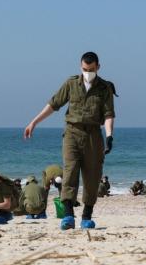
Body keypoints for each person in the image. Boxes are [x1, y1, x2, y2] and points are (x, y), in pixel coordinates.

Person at [24, 51, 117, 230]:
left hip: (93, 134)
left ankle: (87, 216)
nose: (87, 72)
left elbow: (108, 115)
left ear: (98, 67)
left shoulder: (105, 88)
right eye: (84, 69)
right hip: (72, 133)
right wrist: (34, 122)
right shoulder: (71, 83)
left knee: (93, 175)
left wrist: (109, 136)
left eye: (90, 69)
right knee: (70, 172)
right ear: (80, 66)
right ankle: (68, 215)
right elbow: (54, 104)